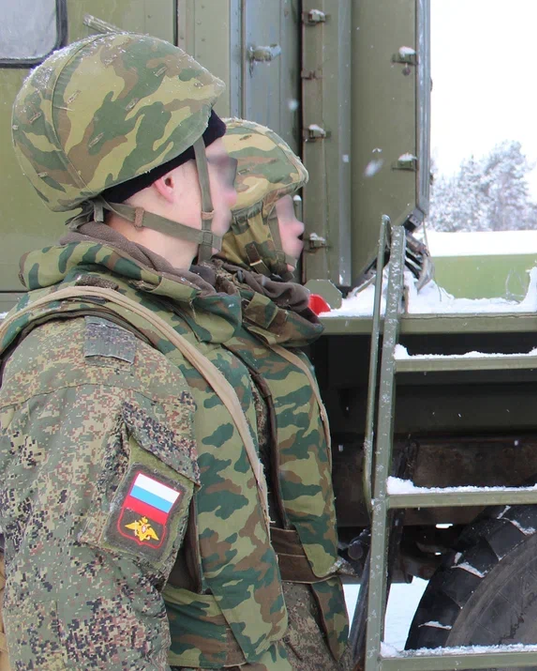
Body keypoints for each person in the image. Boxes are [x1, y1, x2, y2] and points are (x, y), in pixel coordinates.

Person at [2, 33, 292, 669]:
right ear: (166, 180)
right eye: (218, 165)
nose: (235, 183)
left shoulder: (165, 318)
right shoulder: (95, 366)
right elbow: (82, 636)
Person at [213, 118, 349, 669]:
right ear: (243, 222)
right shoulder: (218, 335)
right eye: (284, 212)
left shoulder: (260, 323)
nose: (299, 230)